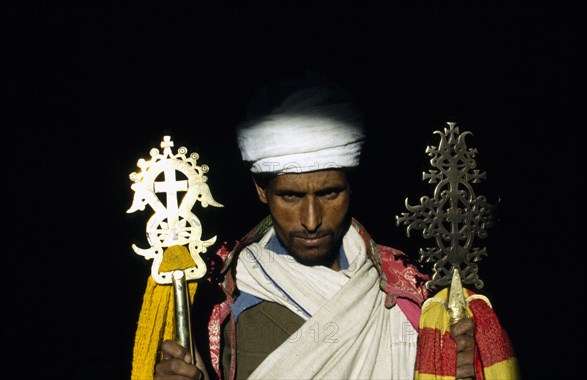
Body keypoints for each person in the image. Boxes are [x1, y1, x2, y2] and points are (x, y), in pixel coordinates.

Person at [152, 72, 517, 380]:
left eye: (329, 193)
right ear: (261, 190)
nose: (311, 221)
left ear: (351, 186)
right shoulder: (219, 292)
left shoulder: (411, 289)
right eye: (291, 197)